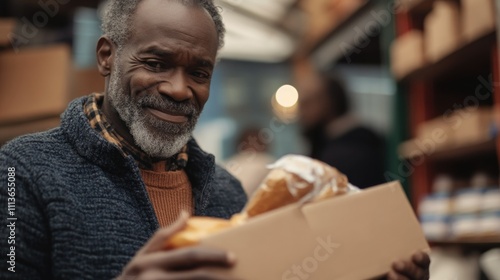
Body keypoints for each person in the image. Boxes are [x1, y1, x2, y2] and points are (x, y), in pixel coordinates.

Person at [0, 0, 429, 279]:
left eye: (199, 73)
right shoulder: (23, 173)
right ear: (107, 56)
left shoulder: (227, 192)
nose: (179, 89)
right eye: (156, 62)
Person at [298, 71, 386, 189]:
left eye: (307, 103)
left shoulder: (347, 153)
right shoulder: (326, 145)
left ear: (329, 102)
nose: (301, 112)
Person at [225, 127, 275, 197]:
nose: (252, 146)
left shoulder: (268, 162)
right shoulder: (268, 162)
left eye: (257, 143)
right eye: (248, 142)